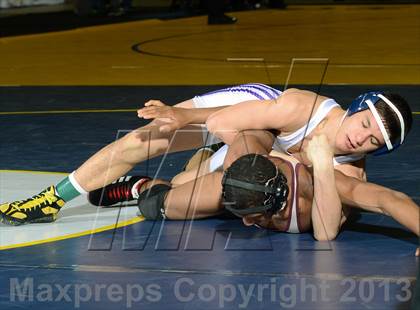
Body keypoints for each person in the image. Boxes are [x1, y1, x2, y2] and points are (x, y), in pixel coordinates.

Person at [0, 84, 412, 226]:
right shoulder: (301, 108)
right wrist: (182, 116)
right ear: (357, 107)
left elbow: (376, 207)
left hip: (255, 161)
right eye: (365, 125)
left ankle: (146, 186)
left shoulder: (351, 174)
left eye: (375, 141)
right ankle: (53, 199)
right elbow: (225, 119)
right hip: (251, 116)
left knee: (213, 191)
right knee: (145, 141)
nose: (362, 140)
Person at [88, 129, 419, 246]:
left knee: (201, 173)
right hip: (235, 177)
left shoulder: (318, 180)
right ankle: (147, 184)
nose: (250, 223)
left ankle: (204, 160)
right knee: (156, 204)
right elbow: (247, 134)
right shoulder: (243, 164)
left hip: (249, 175)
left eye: (252, 218)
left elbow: (389, 199)